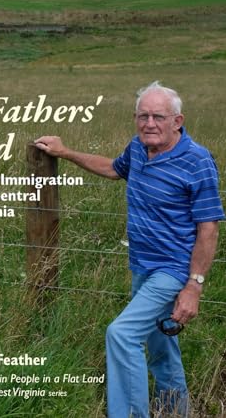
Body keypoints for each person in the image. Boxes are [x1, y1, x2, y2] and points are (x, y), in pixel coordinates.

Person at [34, 81, 224, 418]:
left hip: (174, 270)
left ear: (177, 121)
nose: (149, 123)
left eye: (158, 117)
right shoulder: (138, 149)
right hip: (142, 266)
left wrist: (194, 285)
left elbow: (208, 228)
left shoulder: (197, 162)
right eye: (143, 116)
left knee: (121, 335)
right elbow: (113, 168)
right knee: (159, 343)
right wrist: (65, 153)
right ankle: (175, 411)